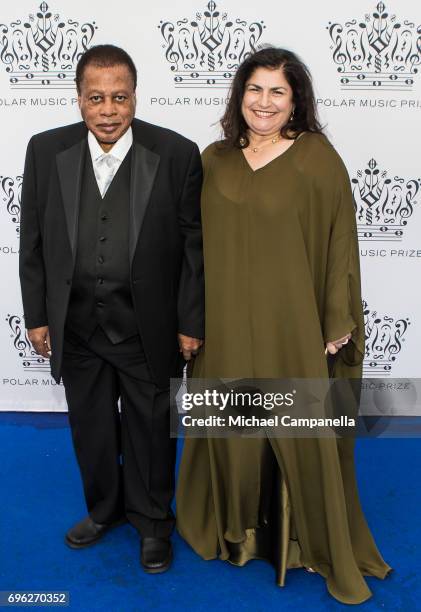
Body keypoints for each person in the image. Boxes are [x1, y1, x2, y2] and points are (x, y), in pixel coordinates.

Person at [176, 47, 391, 603]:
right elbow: (191, 249)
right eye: (254, 89)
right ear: (238, 95)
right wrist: (188, 318)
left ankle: (301, 540)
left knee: (299, 427)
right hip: (222, 323)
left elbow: (341, 241)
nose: (263, 102)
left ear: (296, 100)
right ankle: (236, 531)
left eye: (277, 91)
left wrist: (336, 318)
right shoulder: (213, 158)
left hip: (292, 321)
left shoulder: (317, 157)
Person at [19, 44, 204, 573]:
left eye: (119, 97)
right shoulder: (43, 151)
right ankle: (104, 511)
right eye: (96, 98)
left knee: (151, 430)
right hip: (76, 328)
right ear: (78, 100)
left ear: (135, 97)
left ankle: (152, 521)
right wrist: (37, 315)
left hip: (148, 328)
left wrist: (191, 322)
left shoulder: (175, 154)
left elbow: (194, 249)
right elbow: (31, 242)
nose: (108, 110)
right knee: (92, 429)